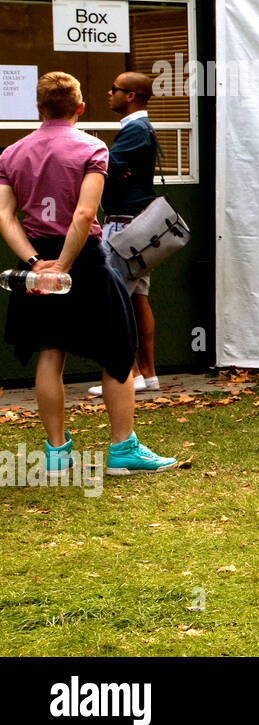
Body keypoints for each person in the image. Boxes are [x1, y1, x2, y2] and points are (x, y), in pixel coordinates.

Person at [0, 71, 175, 475]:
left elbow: (6, 216)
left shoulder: (11, 154)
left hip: (39, 257)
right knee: (117, 351)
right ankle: (122, 450)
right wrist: (62, 265)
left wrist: (34, 264)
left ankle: (56, 453)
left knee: (50, 350)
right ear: (80, 107)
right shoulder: (92, 148)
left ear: (38, 108)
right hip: (85, 257)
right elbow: (84, 214)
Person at [89, 71, 161, 396]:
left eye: (114, 89)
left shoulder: (134, 130)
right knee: (136, 299)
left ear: (130, 96)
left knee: (112, 300)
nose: (109, 93)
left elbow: (108, 167)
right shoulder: (140, 130)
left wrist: (111, 168)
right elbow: (117, 168)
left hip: (124, 226)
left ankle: (126, 376)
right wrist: (117, 169)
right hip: (140, 225)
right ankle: (148, 374)